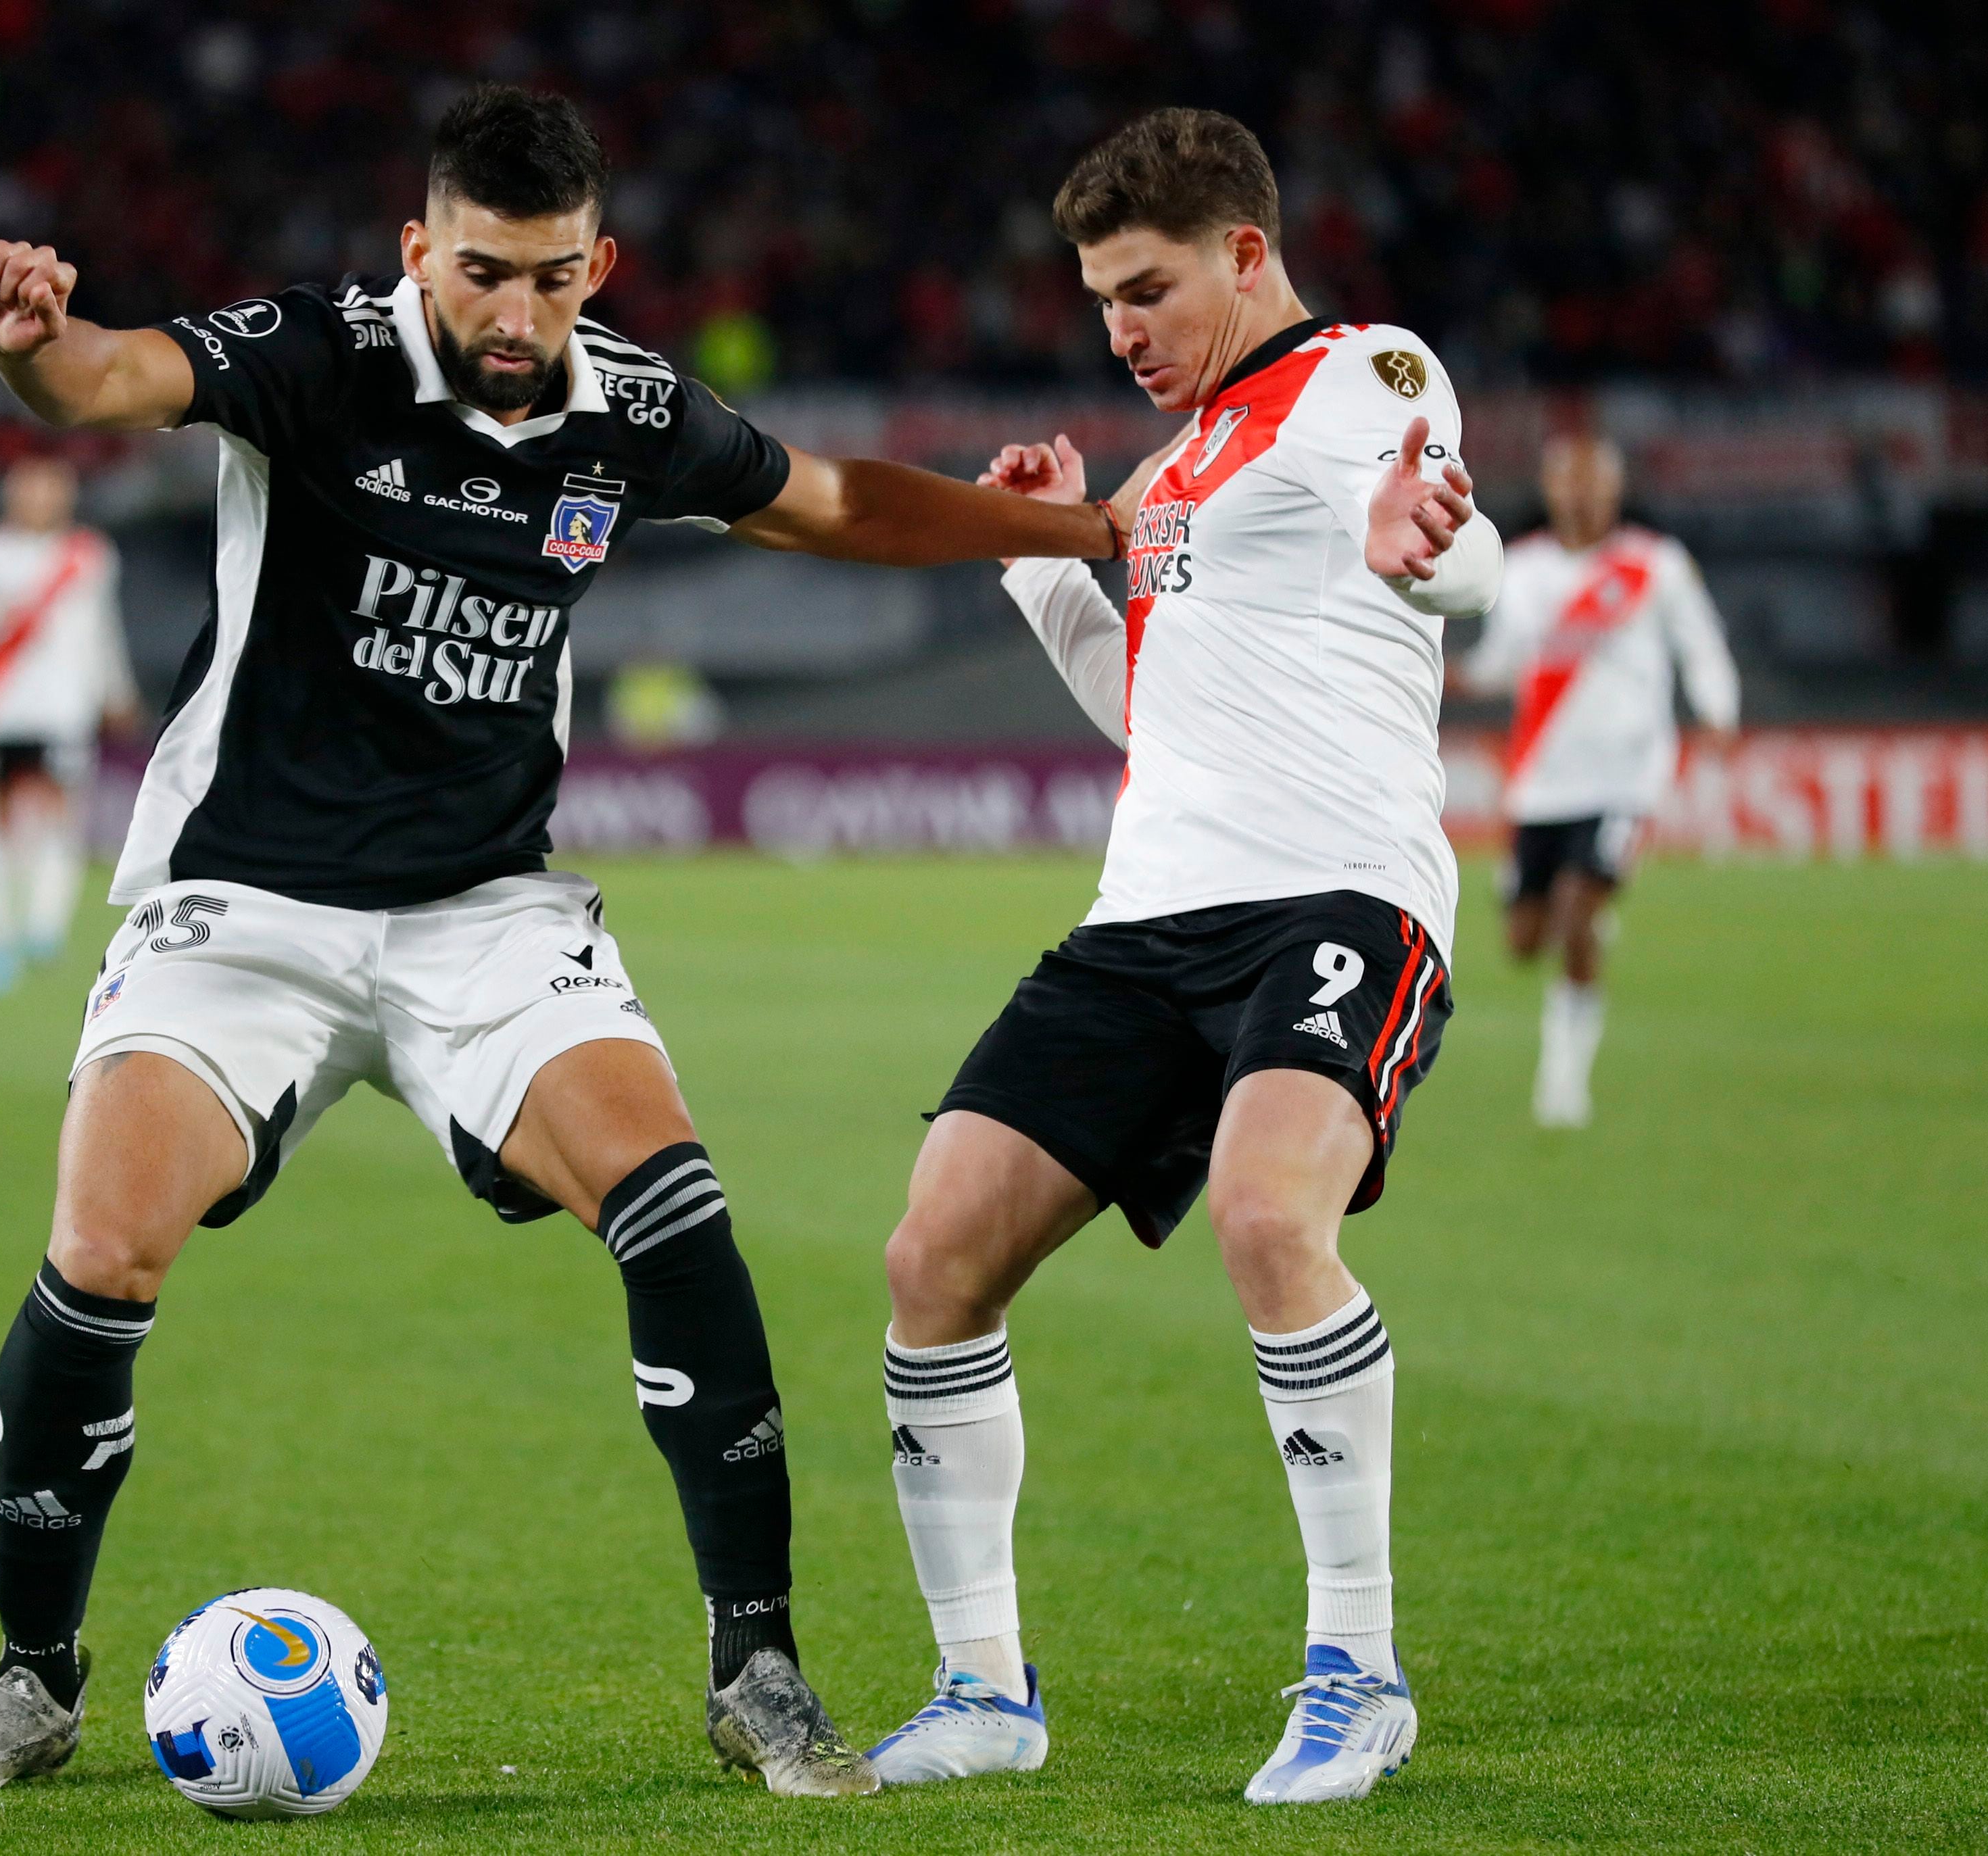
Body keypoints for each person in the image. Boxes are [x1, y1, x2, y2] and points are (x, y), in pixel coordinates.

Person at [0, 84, 1120, 1803]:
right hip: (244, 903)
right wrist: (33, 344)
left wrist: (1077, 531)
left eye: (550, 280)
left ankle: (756, 1669)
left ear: (596, 264)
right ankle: (32, 1679)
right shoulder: (315, 356)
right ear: (417, 251)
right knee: (101, 1252)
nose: (516, 318)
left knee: (676, 1202)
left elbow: (830, 502)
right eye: (481, 276)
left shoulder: (626, 410)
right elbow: (110, 376)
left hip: (482, 909)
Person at [857, 108, 1500, 1805]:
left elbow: (1444, 527)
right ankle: (982, 1688)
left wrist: (1435, 554)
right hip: (1149, 913)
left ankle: (1354, 1668)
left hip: (1339, 894)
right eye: (1095, 304)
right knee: (931, 1255)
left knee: (1265, 1210)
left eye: (1144, 290)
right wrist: (1043, 564)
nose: (1117, 332)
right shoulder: (1165, 473)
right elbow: (1140, 706)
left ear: (1240, 251)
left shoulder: (1365, 376)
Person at [1451, 434, 1739, 1127]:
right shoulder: (1517, 568)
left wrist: (1716, 711)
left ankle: (1562, 1084)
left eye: (1593, 482)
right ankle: (1582, 920)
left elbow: (1700, 643)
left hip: (1623, 773)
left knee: (1577, 912)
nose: (1579, 494)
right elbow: (1503, 660)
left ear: (1614, 488)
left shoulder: (1653, 564)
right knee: (1524, 943)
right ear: (1549, 489)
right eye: (1566, 481)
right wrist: (1456, 678)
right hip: (1542, 776)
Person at [0, 456, 139, 994]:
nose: (41, 500)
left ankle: (44, 928)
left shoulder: (89, 553)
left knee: (59, 817)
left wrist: (116, 692)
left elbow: (102, 630)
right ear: (10, 494)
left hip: (64, 708)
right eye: (30, 489)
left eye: (52, 490)